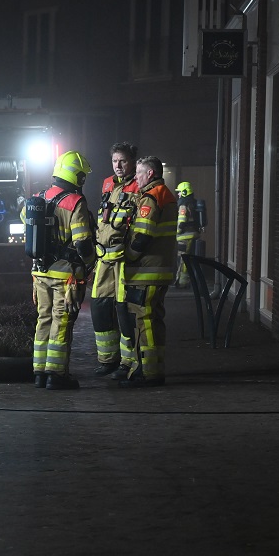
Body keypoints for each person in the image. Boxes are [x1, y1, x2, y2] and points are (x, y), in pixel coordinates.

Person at [27, 150, 96, 390]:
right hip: (65, 276)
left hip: (39, 273)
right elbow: (82, 242)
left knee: (43, 319)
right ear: (76, 175)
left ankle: (39, 372)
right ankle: (56, 375)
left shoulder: (37, 197)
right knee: (62, 322)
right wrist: (91, 263)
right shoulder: (75, 202)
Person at [114, 156, 177, 388]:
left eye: (139, 173)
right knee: (155, 320)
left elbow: (142, 237)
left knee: (145, 320)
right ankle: (155, 366)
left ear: (149, 174)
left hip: (146, 271)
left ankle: (148, 372)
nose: (136, 178)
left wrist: (128, 257)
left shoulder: (151, 197)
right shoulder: (164, 194)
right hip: (159, 270)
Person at [90, 141, 139, 376]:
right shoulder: (108, 184)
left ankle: (127, 363)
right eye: (114, 161)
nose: (118, 165)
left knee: (124, 311)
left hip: (124, 262)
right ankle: (107, 359)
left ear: (132, 162)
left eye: (123, 161)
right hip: (103, 260)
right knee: (99, 307)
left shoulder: (140, 186)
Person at [174, 181, 201, 288]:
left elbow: (181, 222)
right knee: (188, 259)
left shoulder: (183, 206)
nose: (178, 194)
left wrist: (176, 233)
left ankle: (182, 282)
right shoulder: (193, 204)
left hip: (185, 237)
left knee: (183, 259)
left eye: (180, 192)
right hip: (193, 235)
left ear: (185, 192)